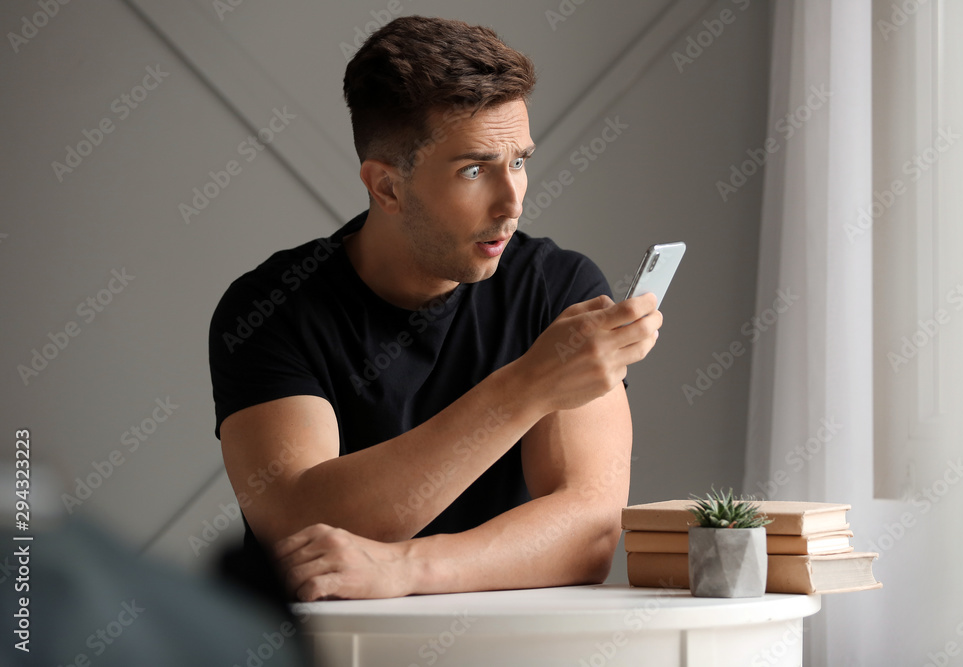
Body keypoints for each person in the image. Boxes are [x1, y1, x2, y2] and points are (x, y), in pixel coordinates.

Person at [208, 15, 662, 602]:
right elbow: (298, 528)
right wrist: (528, 386)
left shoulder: (558, 286)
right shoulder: (271, 306)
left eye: (519, 161)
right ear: (387, 187)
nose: (512, 201)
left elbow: (590, 534)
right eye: (474, 169)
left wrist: (407, 569)